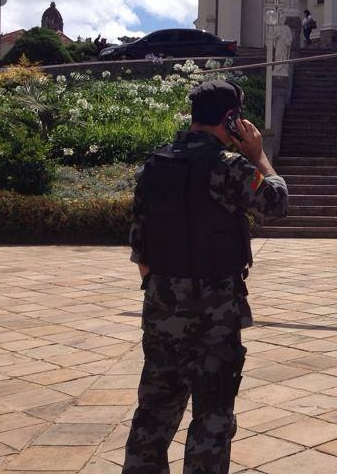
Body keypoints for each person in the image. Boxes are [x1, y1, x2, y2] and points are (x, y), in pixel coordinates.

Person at [123, 80, 288, 474]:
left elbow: (139, 248)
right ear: (230, 119)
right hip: (215, 315)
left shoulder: (154, 166)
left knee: (154, 415)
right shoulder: (229, 168)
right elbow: (277, 202)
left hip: (162, 310)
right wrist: (259, 155)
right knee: (212, 418)